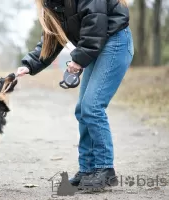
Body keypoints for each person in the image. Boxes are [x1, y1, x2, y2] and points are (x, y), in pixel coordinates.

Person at [16, 0, 134, 188]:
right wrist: (29, 64)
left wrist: (78, 61)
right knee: (82, 110)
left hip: (114, 41)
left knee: (92, 106)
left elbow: (96, 25)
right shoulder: (50, 3)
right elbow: (51, 38)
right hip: (96, 46)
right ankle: (87, 169)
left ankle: (105, 170)